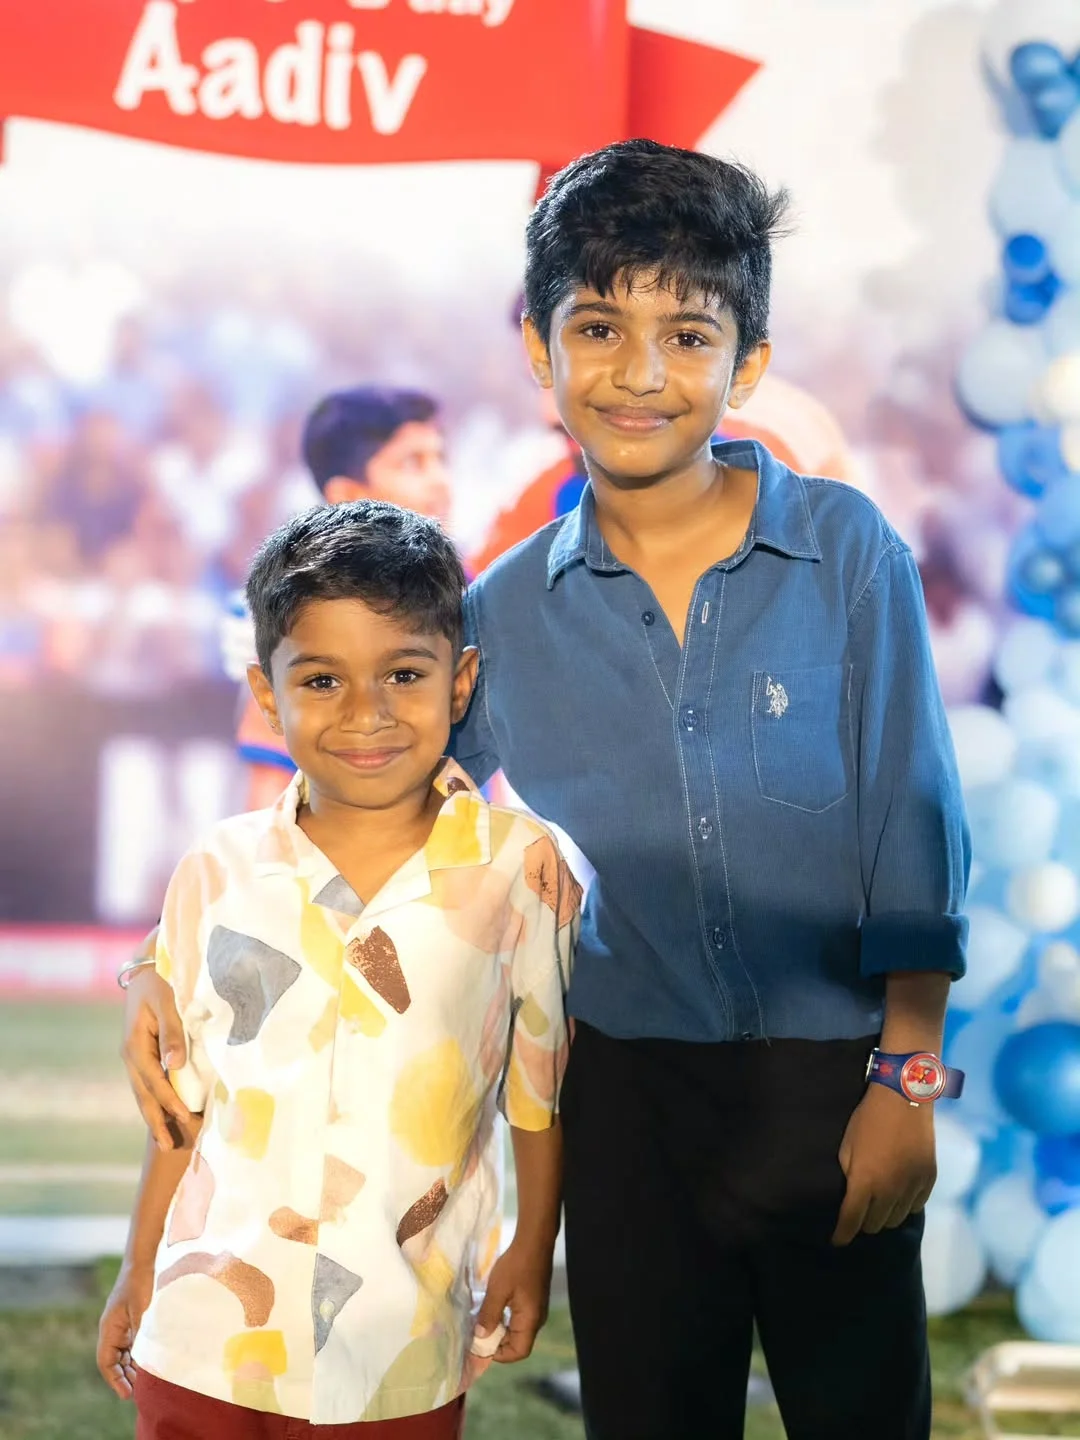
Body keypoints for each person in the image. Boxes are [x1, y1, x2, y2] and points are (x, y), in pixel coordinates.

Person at [118, 139, 969, 1439]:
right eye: (598, 326)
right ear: (539, 351)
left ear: (748, 363)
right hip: (624, 1108)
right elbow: (366, 814)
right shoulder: (501, 615)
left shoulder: (848, 551)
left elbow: (911, 815)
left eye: (688, 334)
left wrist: (905, 1075)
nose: (641, 373)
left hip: (833, 1087)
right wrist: (152, 981)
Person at [99, 501, 577, 1438]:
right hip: (205, 1341)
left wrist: (534, 1239)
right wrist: (139, 1261)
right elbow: (182, 1113)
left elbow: (539, 1088)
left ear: (462, 680)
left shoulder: (521, 868)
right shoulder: (216, 868)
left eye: (404, 673)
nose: (367, 714)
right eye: (322, 679)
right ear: (267, 694)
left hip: (397, 1344)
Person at [232, 387, 452, 809]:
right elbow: (268, 796)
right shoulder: (299, 617)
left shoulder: (474, 592)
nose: (440, 482)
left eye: (441, 459)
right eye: (412, 463)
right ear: (349, 494)